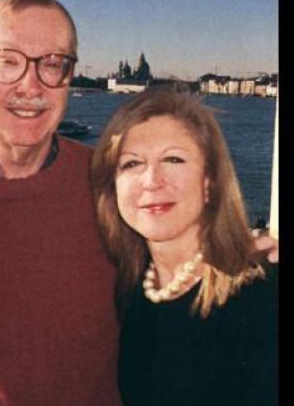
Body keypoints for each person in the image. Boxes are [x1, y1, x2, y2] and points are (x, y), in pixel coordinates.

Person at [0, 0, 278, 405]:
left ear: (68, 76)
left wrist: (245, 254)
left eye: (53, 63)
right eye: (7, 61)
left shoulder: (107, 181)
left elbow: (175, 242)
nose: (31, 84)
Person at [90, 86, 278, 405]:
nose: (152, 180)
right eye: (132, 164)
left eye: (173, 159)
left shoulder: (263, 299)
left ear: (209, 184)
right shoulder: (130, 289)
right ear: (113, 188)